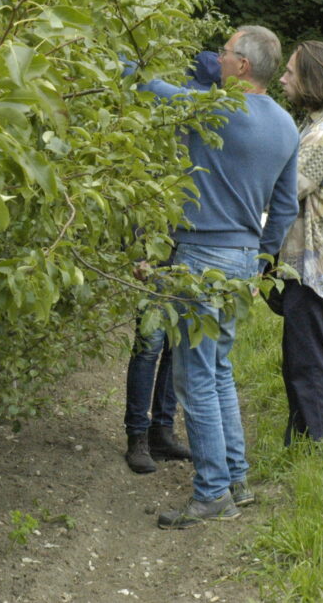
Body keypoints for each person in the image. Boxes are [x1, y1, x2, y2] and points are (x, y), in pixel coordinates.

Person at [135, 26, 299, 529]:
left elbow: (157, 91)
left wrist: (122, 66)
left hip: (201, 256)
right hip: (241, 260)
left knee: (195, 377)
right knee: (219, 367)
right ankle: (236, 478)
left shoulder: (217, 108)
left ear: (243, 65)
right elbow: (285, 207)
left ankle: (212, 492)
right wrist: (260, 261)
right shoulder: (286, 125)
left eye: (224, 52)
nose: (217, 58)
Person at [123, 51, 221, 474]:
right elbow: (141, 189)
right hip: (160, 245)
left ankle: (162, 429)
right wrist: (140, 249)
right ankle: (137, 434)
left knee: (176, 344)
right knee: (149, 342)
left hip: (195, 247)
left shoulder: (216, 132)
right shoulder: (166, 126)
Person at [275, 41, 323, 444]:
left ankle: (321, 445)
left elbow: (289, 189)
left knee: (308, 360)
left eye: (291, 72)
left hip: (313, 262)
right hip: (306, 260)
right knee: (298, 357)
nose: (283, 79)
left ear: (312, 78)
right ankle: (303, 440)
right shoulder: (317, 124)